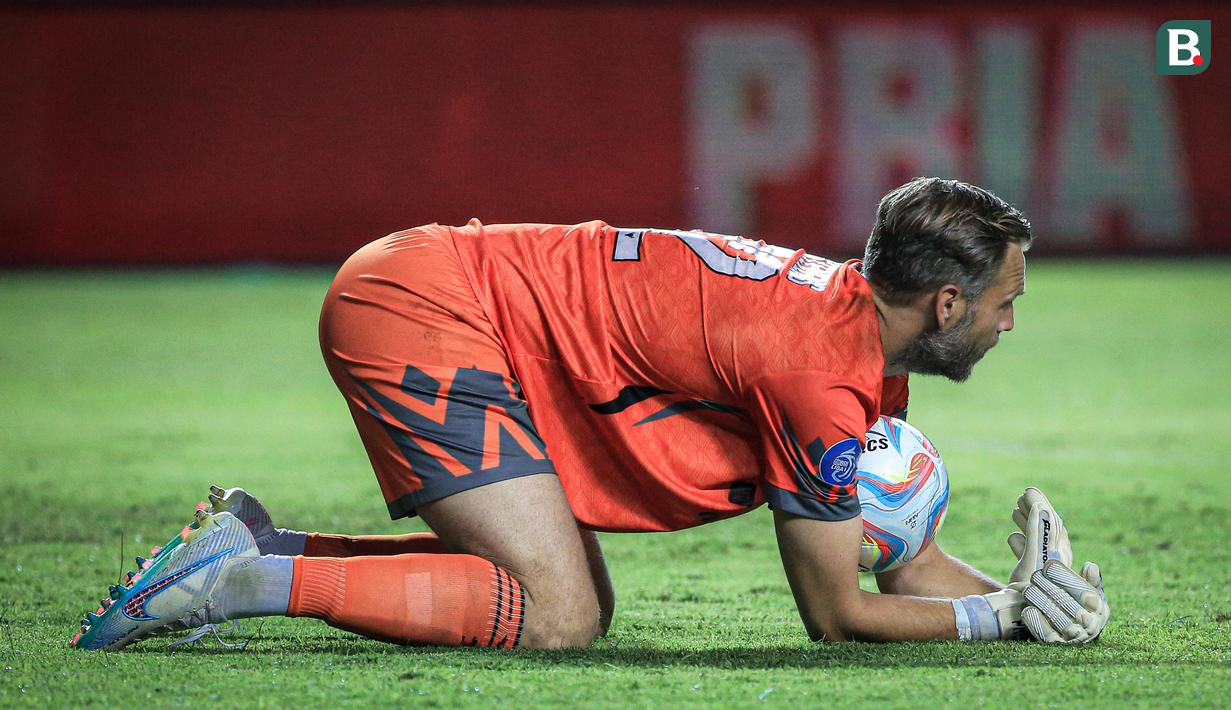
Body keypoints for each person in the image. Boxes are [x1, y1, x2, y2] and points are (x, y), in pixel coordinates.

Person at [71, 177, 1109, 651]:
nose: (1010, 320)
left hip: (446, 294)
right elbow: (836, 613)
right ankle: (236, 580)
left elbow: (894, 558)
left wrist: (1022, 597)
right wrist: (996, 614)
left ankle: (261, 543)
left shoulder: (847, 335)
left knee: (572, 602)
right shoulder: (818, 373)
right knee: (557, 613)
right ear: (946, 303)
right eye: (1006, 300)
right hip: (428, 311)